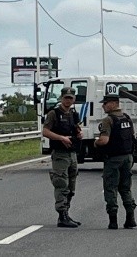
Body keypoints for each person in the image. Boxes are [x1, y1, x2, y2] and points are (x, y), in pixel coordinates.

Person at [93, 93, 137, 230]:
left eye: (105, 103)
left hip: (113, 159)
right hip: (127, 157)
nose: (103, 106)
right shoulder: (127, 118)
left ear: (113, 104)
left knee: (111, 188)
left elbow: (104, 140)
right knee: (125, 188)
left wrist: (96, 143)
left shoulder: (108, 120)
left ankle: (113, 221)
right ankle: (130, 218)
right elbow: (133, 136)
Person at [42, 86, 83, 228]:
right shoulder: (54, 113)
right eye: (66, 98)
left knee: (71, 186)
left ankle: (67, 213)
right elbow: (45, 132)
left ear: (74, 99)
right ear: (61, 98)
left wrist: (79, 134)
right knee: (61, 184)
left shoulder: (73, 113)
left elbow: (77, 128)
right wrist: (61, 138)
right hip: (60, 153)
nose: (68, 100)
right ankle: (62, 215)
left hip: (72, 153)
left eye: (71, 98)